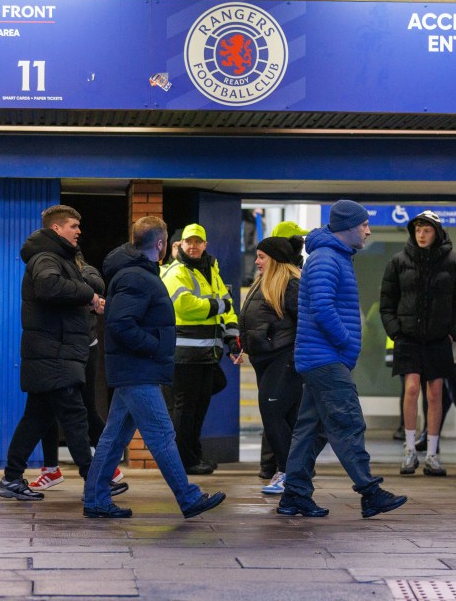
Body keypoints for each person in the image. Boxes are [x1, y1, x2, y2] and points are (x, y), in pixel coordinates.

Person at [83, 216, 225, 519]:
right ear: (161, 244)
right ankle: (188, 498)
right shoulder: (136, 276)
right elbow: (121, 324)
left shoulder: (139, 273)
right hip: (138, 370)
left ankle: (95, 499)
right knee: (162, 434)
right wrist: (157, 345)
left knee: (114, 438)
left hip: (135, 369)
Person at [277, 200, 408, 519]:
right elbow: (322, 308)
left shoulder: (332, 257)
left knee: (311, 429)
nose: (368, 229)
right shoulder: (325, 259)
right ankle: (370, 492)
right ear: (348, 226)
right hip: (326, 358)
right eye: (364, 224)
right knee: (348, 421)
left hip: (321, 357)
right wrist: (345, 342)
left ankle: (294, 494)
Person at [0, 205, 128, 501]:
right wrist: (88, 295)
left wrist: (87, 297)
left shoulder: (61, 258)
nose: (79, 231)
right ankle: (95, 480)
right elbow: (48, 285)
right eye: (73, 226)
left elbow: (68, 288)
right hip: (53, 354)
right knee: (76, 416)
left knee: (35, 419)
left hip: (54, 353)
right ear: (57, 229)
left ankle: (11, 479)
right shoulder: (46, 258)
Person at [379, 210, 456, 477]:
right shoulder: (398, 261)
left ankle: (432, 454)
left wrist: (452, 332)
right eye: (417, 230)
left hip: (439, 339)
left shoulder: (454, 263)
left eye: (426, 230)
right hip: (407, 337)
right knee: (412, 387)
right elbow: (387, 302)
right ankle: (409, 451)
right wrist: (396, 331)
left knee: (435, 393)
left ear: (437, 233)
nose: (421, 234)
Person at [29, 256, 124, 491]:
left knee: (84, 409)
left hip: (82, 350)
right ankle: (51, 469)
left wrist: (74, 287)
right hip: (60, 349)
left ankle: (107, 466)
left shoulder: (83, 269)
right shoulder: (50, 272)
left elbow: (96, 285)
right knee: (50, 407)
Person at [161, 223, 241, 475]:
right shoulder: (176, 272)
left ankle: (193, 456)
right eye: (188, 242)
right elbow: (185, 305)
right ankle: (184, 461)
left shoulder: (212, 271)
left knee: (197, 409)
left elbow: (229, 310)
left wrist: (232, 340)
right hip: (184, 356)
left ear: (205, 245)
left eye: (198, 242)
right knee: (185, 411)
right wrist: (219, 304)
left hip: (208, 354)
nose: (193, 246)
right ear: (181, 245)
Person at [239, 236, 305, 495]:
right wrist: (242, 344)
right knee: (282, 417)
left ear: (275, 260)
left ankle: (290, 473)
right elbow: (253, 320)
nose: (256, 262)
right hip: (264, 359)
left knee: (272, 412)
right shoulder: (263, 282)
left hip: (284, 358)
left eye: (261, 257)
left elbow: (305, 323)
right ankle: (290, 472)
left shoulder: (291, 284)